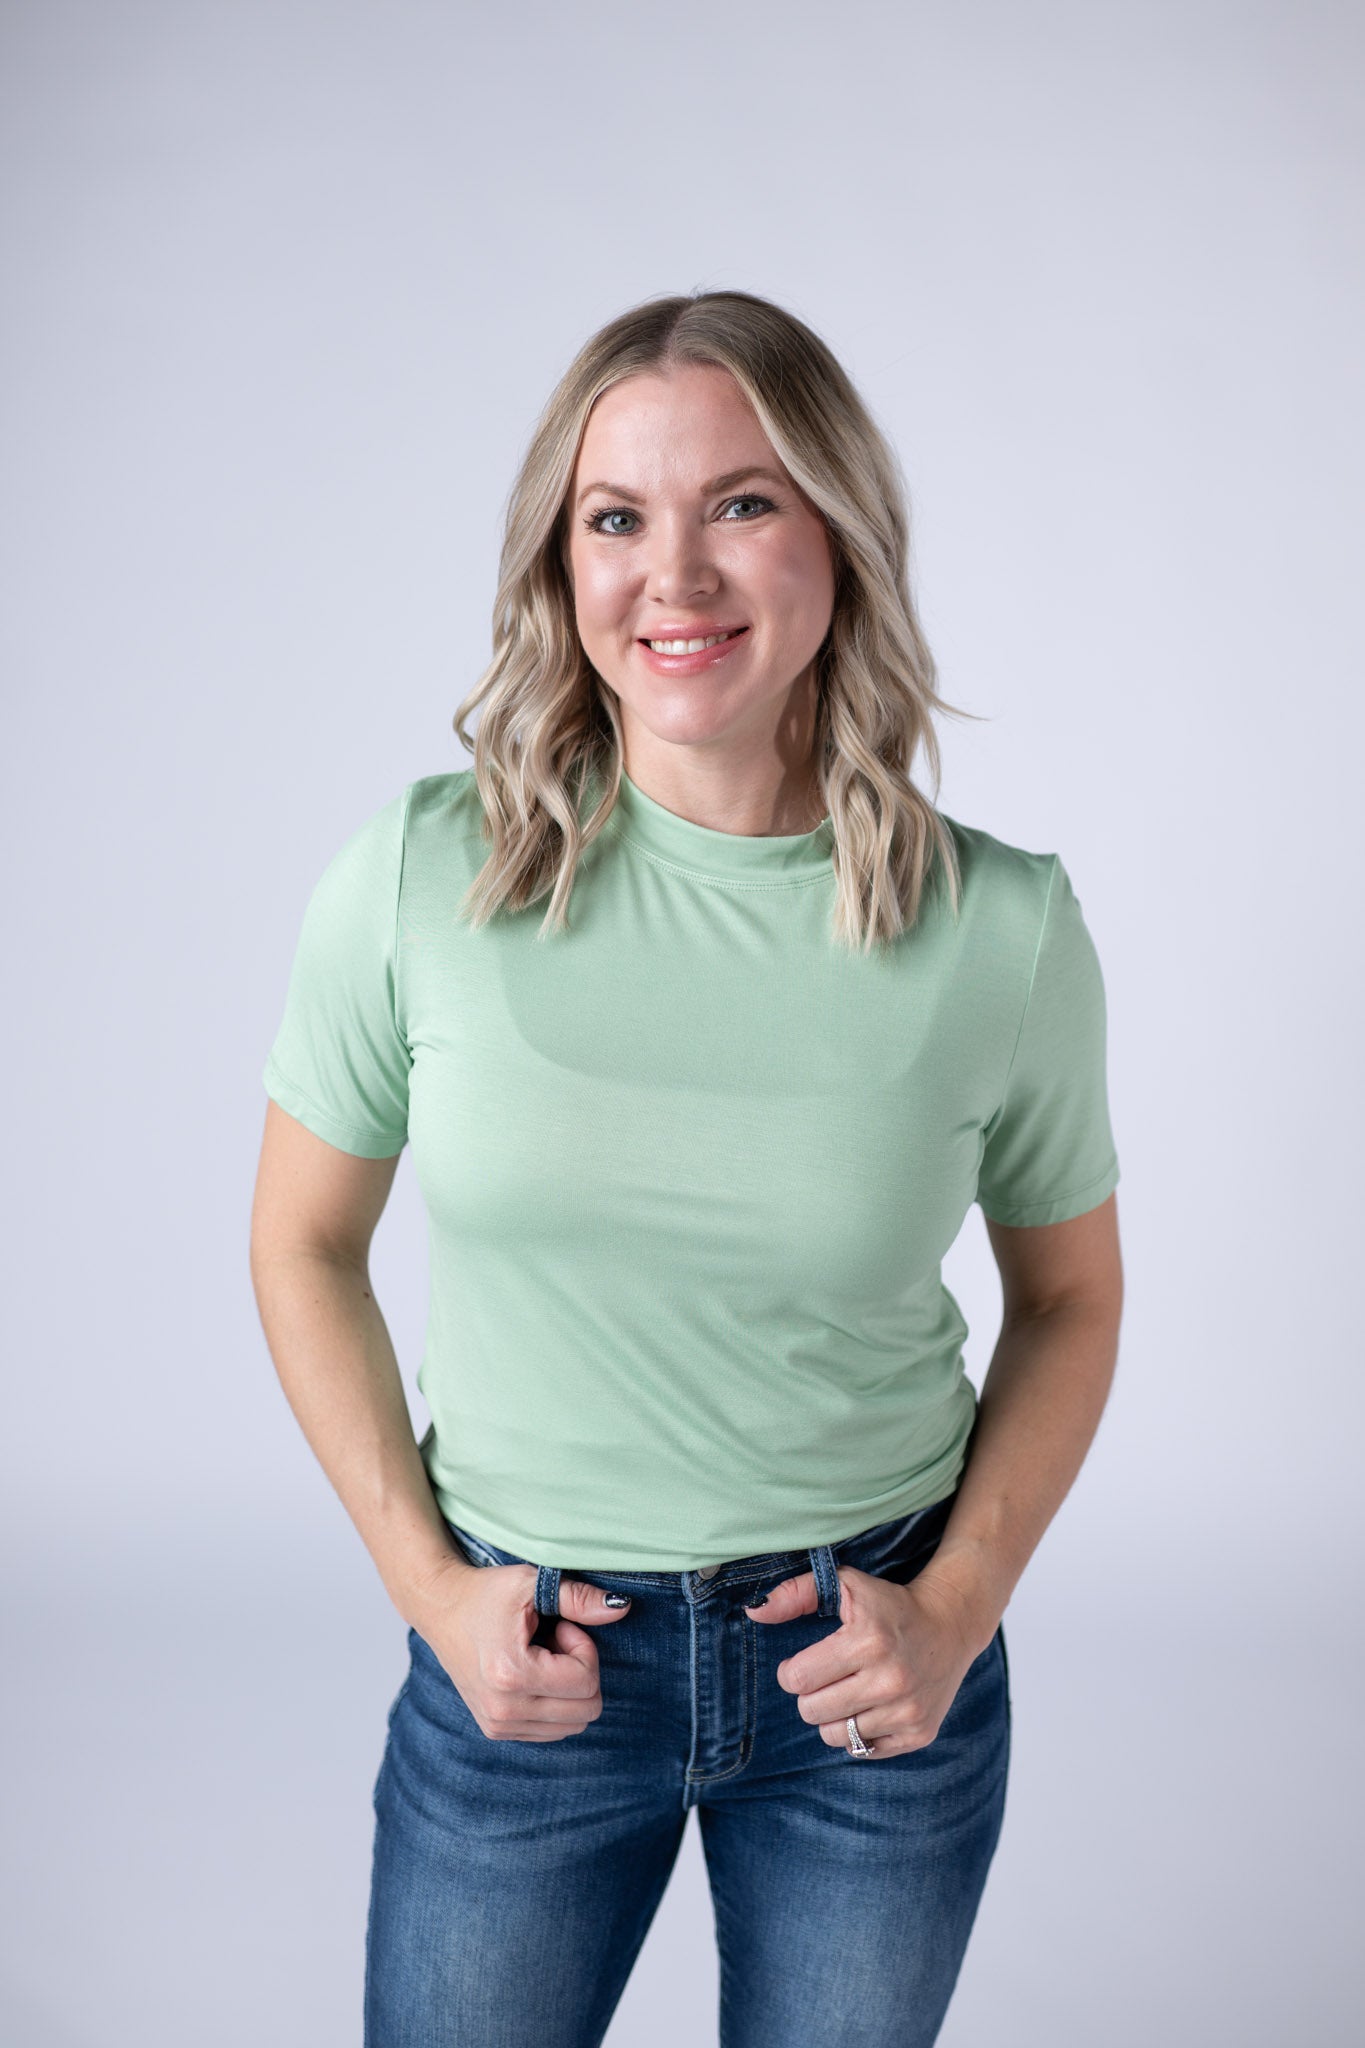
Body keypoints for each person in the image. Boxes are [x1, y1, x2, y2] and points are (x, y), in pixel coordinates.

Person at [249, 288, 1124, 2048]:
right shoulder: (419, 878)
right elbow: (302, 1246)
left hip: (865, 1681)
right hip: (527, 1671)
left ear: (836, 535)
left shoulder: (1000, 927)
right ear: (558, 563)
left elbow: (1069, 1299)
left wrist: (955, 1611)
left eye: (740, 502)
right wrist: (432, 1597)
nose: (675, 575)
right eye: (615, 518)